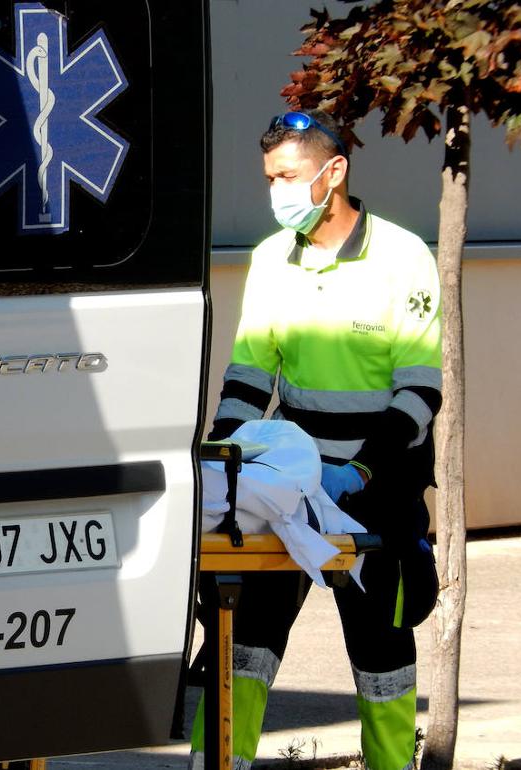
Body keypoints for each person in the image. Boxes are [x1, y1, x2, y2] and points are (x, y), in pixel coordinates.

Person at [188, 110, 442, 770]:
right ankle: (216, 764)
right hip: (289, 494)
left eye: (289, 176)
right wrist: (219, 466)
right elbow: (248, 377)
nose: (278, 191)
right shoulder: (273, 260)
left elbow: (420, 395)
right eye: (270, 178)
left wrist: (358, 472)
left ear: (334, 173)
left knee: (383, 663)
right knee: (241, 648)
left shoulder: (403, 258)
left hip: (373, 493)